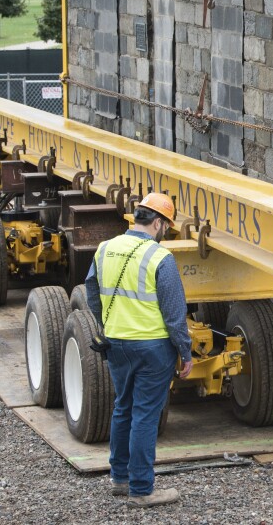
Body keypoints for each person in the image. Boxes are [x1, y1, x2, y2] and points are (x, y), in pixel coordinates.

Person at [85, 192, 193, 507]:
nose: (166, 233)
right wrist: (185, 352)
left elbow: (92, 291)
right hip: (153, 348)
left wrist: (107, 323)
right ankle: (142, 490)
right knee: (145, 414)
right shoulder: (160, 257)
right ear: (158, 222)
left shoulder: (106, 248)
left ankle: (120, 478)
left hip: (116, 343)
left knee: (123, 407)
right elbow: (175, 315)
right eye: (167, 228)